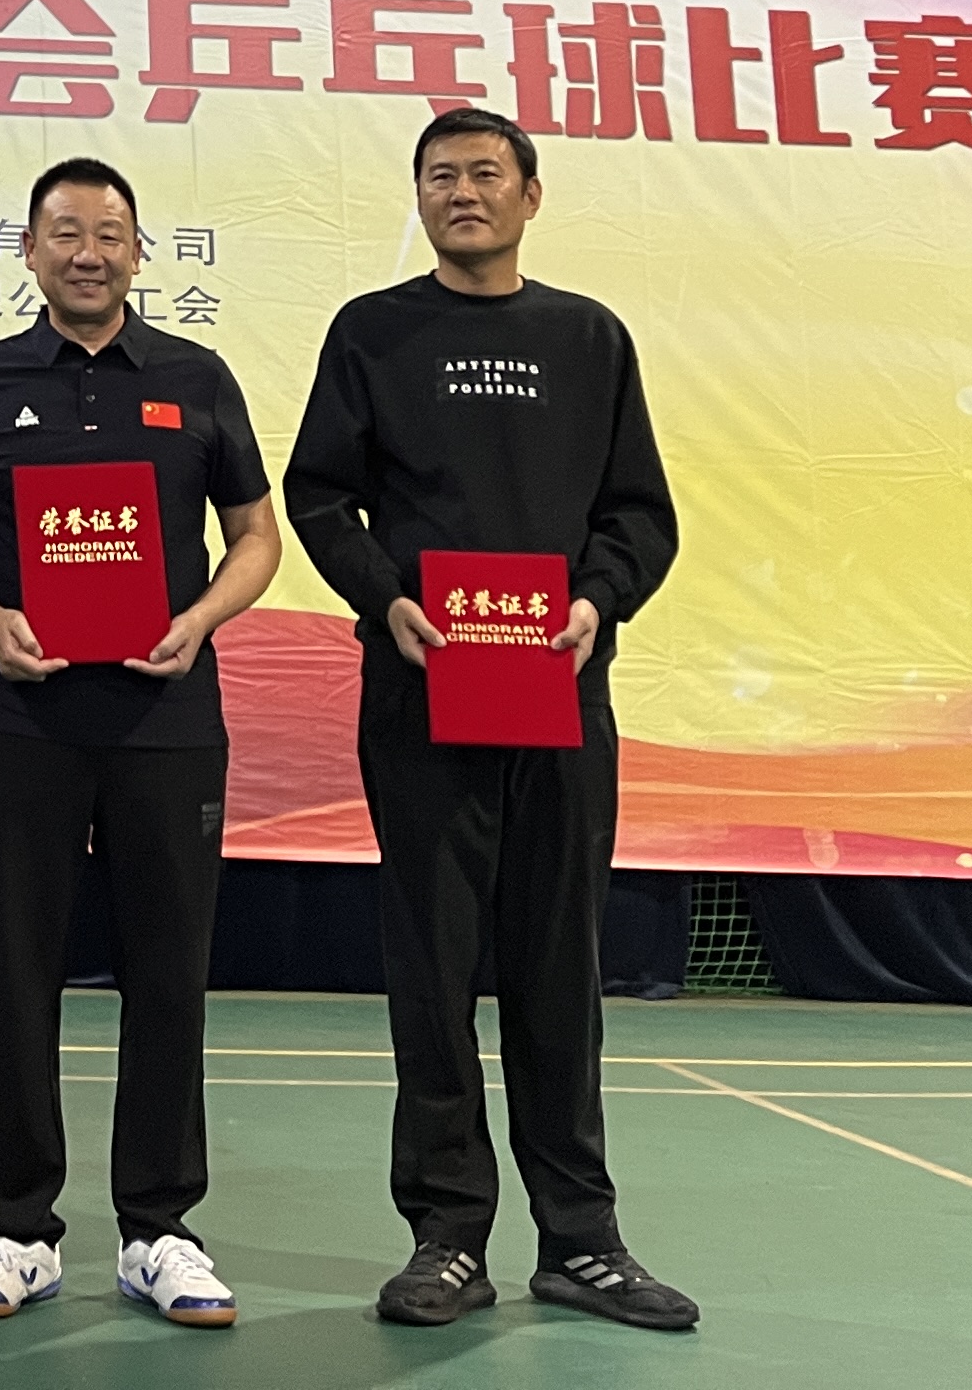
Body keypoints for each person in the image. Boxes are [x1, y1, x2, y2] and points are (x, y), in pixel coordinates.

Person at [282, 106, 697, 1335]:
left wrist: (596, 601)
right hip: (421, 695)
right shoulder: (373, 332)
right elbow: (320, 496)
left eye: (483, 174)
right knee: (433, 967)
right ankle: (448, 1235)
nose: (461, 193)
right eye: (439, 177)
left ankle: (580, 1238)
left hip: (561, 695)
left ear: (530, 195)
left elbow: (640, 514)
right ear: (418, 199)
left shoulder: (587, 337)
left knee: (559, 966)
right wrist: (387, 599)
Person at [0, 157, 282, 1329]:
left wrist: (199, 619)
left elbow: (257, 537)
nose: (88, 251)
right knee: (17, 971)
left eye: (110, 232)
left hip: (166, 722)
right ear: (30, 252)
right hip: (17, 718)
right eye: (65, 232)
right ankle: (14, 1229)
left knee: (168, 973)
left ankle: (159, 1229)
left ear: (137, 251)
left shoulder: (196, 378)